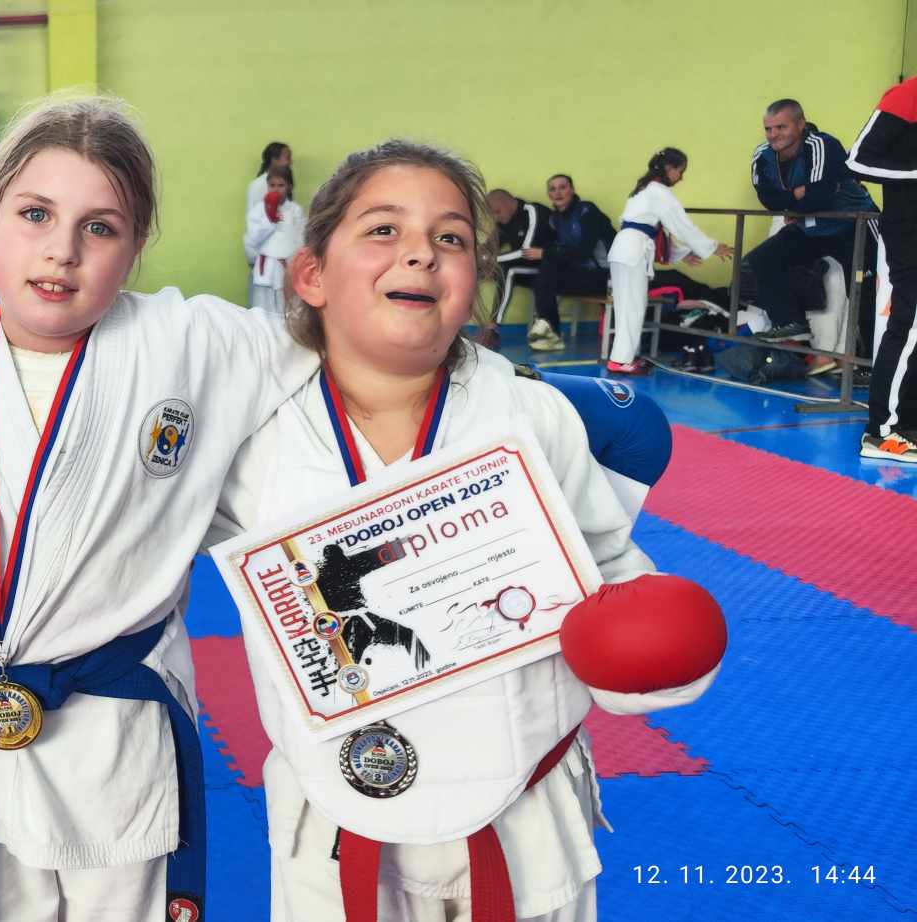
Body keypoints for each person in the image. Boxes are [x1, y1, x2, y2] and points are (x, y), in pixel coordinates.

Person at [218, 138, 721, 922]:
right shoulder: (252, 438)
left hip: (523, 825)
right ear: (311, 274)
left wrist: (655, 656)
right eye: (383, 229)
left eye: (450, 238)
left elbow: (610, 577)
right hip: (333, 828)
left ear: (474, 282)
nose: (420, 253)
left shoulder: (532, 416)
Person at [0, 94, 316, 922]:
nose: (61, 250)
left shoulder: (193, 342)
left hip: (116, 731)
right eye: (34, 214)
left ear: (136, 248)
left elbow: (351, 347)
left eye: (101, 227)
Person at [747, 98, 878, 344]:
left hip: (853, 225)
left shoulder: (822, 144)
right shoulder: (762, 155)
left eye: (781, 127)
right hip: (809, 228)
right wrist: (799, 196)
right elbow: (768, 199)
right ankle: (791, 322)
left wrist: (791, 203)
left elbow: (819, 196)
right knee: (761, 261)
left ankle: (873, 359)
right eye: (768, 128)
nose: (773, 135)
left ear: (800, 124)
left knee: (864, 292)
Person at [606, 149, 734, 375]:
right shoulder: (658, 191)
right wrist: (712, 247)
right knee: (633, 307)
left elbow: (654, 230)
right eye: (680, 171)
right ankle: (621, 360)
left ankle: (621, 358)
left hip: (625, 249)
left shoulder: (643, 189)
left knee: (628, 306)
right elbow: (681, 225)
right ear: (668, 168)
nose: (681, 177)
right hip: (632, 251)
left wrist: (682, 254)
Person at [847, 77, 917, 462]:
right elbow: (858, 159)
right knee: (909, 324)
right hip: (910, 229)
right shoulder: (909, 94)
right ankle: (882, 433)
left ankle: (908, 424)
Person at [525, 175, 616, 352]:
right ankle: (549, 329)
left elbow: (583, 252)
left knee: (546, 271)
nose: (557, 192)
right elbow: (559, 251)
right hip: (583, 275)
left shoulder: (587, 211)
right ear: (549, 194)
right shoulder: (555, 219)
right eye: (552, 189)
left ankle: (550, 331)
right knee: (543, 275)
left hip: (607, 277)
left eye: (563, 187)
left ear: (572, 190)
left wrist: (545, 253)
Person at [482, 189, 555, 348]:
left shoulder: (533, 211)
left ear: (507, 203)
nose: (496, 217)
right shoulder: (504, 219)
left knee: (508, 270)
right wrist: (477, 259)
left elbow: (526, 252)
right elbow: (489, 247)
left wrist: (490, 259)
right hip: (527, 269)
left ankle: (493, 328)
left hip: (549, 268)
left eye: (497, 212)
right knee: (472, 270)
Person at [246, 165, 305, 313]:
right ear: (267, 186)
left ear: (289, 187)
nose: (276, 189)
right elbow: (253, 240)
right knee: (261, 311)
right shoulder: (259, 210)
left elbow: (301, 240)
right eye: (272, 185)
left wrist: (296, 265)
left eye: (281, 185)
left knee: (288, 311)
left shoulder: (295, 210)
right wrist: (270, 221)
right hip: (266, 270)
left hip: (287, 269)